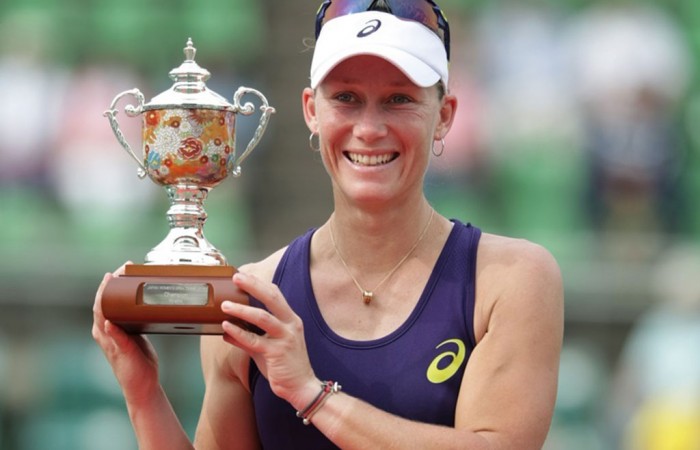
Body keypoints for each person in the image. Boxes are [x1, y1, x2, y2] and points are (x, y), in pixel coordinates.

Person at [92, 1, 564, 448]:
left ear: (444, 117)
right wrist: (143, 394)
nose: (369, 128)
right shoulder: (252, 297)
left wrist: (313, 394)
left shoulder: (511, 280)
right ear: (311, 111)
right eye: (346, 98)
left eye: (399, 99)